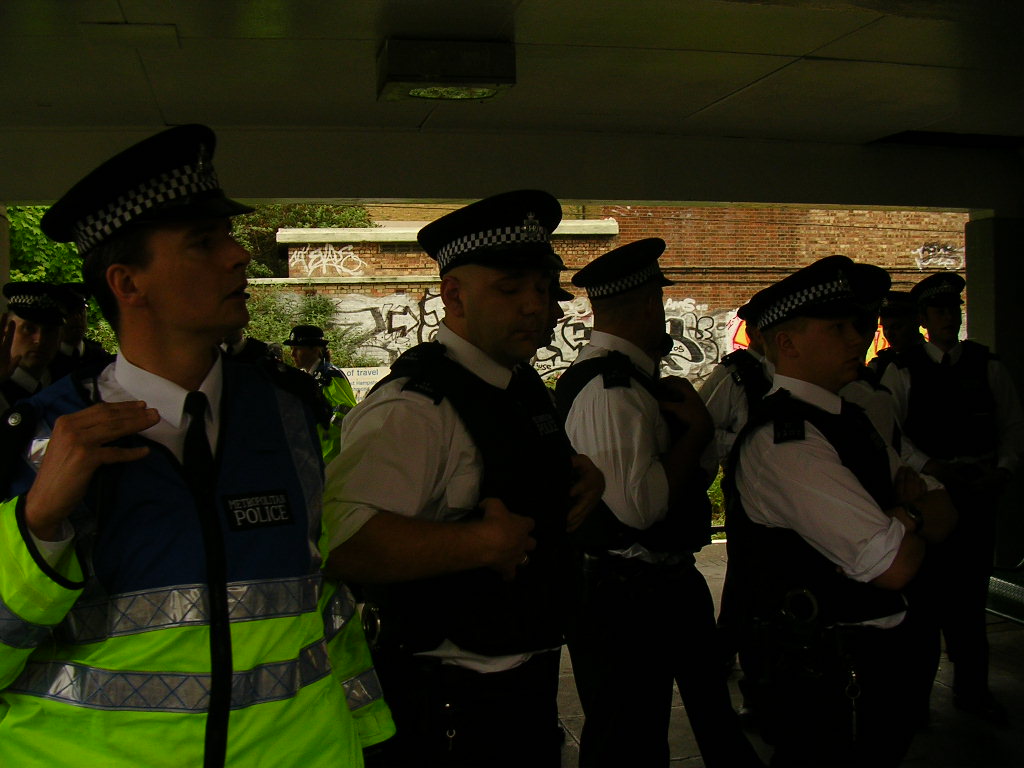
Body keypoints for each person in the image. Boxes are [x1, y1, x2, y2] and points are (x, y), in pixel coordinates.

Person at [0, 124, 387, 767]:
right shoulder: (37, 434)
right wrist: (36, 525)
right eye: (204, 243)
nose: (238, 255)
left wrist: (368, 735)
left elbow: (316, 592)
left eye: (227, 237)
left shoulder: (286, 414)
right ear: (128, 284)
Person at [324, 189, 604, 768]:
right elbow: (338, 540)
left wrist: (582, 480)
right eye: (510, 288)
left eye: (543, 287)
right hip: (449, 704)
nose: (536, 305)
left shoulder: (519, 386)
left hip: (522, 677)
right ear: (454, 295)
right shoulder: (414, 407)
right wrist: (477, 544)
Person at [728, 255, 957, 767]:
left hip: (872, 661)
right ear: (787, 342)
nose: (858, 339)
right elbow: (893, 565)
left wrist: (910, 516)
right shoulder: (788, 440)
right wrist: (913, 514)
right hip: (826, 674)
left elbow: (945, 504)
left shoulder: (848, 417)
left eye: (857, 325)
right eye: (838, 328)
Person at [555, 238, 762, 768]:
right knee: (629, 736)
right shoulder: (610, 388)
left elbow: (685, 484)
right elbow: (640, 510)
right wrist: (694, 435)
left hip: (666, 579)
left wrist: (694, 442)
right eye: (660, 304)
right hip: (625, 593)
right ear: (649, 303)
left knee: (712, 715)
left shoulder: (634, 381)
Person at [881, 271, 1024, 727]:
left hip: (977, 493)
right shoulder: (903, 371)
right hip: (929, 497)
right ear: (924, 318)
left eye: (954, 309)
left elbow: (1012, 426)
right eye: (939, 310)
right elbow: (893, 437)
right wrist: (931, 468)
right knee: (923, 603)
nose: (949, 317)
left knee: (969, 599)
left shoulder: (986, 365)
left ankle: (972, 691)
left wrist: (1003, 470)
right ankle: (914, 699)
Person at [283, 324, 357, 462]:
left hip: (330, 455)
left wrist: (325, 438)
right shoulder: (309, 377)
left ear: (315, 349)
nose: (292, 354)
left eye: (297, 349)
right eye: (292, 349)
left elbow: (346, 412)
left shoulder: (329, 375)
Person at [0, 281, 68, 412]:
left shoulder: (67, 380)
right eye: (28, 329)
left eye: (49, 331)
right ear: (6, 332)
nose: (40, 340)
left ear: (60, 337)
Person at [48, 282, 115, 380]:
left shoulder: (100, 357)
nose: (77, 318)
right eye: (70, 313)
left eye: (81, 311)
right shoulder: (47, 360)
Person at [869, 290, 923, 379]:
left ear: (916, 322)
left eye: (897, 327)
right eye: (885, 328)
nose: (889, 334)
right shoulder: (879, 364)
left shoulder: (933, 358)